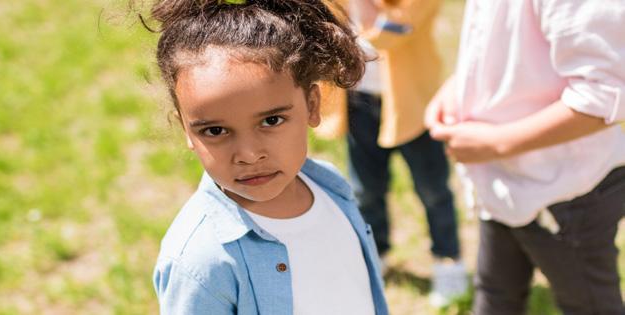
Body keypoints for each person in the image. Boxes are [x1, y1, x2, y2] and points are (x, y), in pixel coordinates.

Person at [142, 0, 389, 314]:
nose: (248, 155)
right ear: (186, 129)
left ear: (312, 105)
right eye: (215, 131)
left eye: (271, 121)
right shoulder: (200, 260)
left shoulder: (332, 188)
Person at [425, 1, 625, 314]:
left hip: (566, 194)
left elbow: (605, 94)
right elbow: (501, 43)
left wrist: (496, 143)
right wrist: (457, 89)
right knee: (495, 295)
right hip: (500, 182)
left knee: (589, 305)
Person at [317, 0, 467, 307]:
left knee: (432, 189)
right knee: (365, 190)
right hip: (360, 103)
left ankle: (448, 260)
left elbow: (390, 32)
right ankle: (377, 254)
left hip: (412, 106)